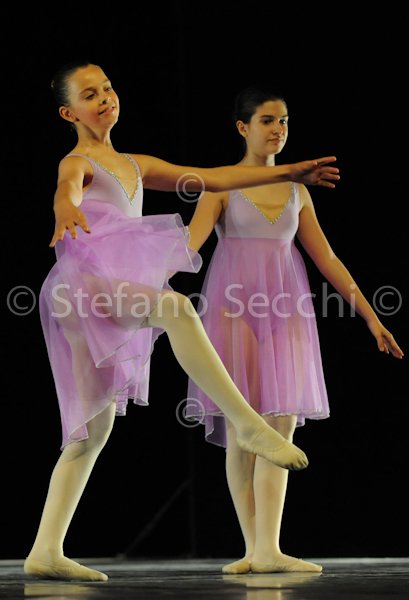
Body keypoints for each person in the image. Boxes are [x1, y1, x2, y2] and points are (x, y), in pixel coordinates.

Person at [23, 61, 341, 583]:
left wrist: (287, 172)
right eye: (89, 94)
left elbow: (215, 178)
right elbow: (67, 186)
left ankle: (45, 550)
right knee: (176, 308)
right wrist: (64, 206)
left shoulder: (136, 164)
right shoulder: (78, 160)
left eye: (107, 87)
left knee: (91, 431)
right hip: (84, 285)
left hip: (94, 294)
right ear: (69, 113)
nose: (105, 97)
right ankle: (248, 424)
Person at [186, 86, 404, 575]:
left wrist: (371, 316)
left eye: (283, 121)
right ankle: (253, 549)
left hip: (287, 309)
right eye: (267, 120)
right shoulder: (221, 185)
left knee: (280, 424)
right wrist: (137, 274)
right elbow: (190, 246)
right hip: (233, 309)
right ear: (242, 127)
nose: (278, 130)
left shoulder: (296, 191)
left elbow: (327, 258)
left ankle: (270, 547)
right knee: (244, 428)